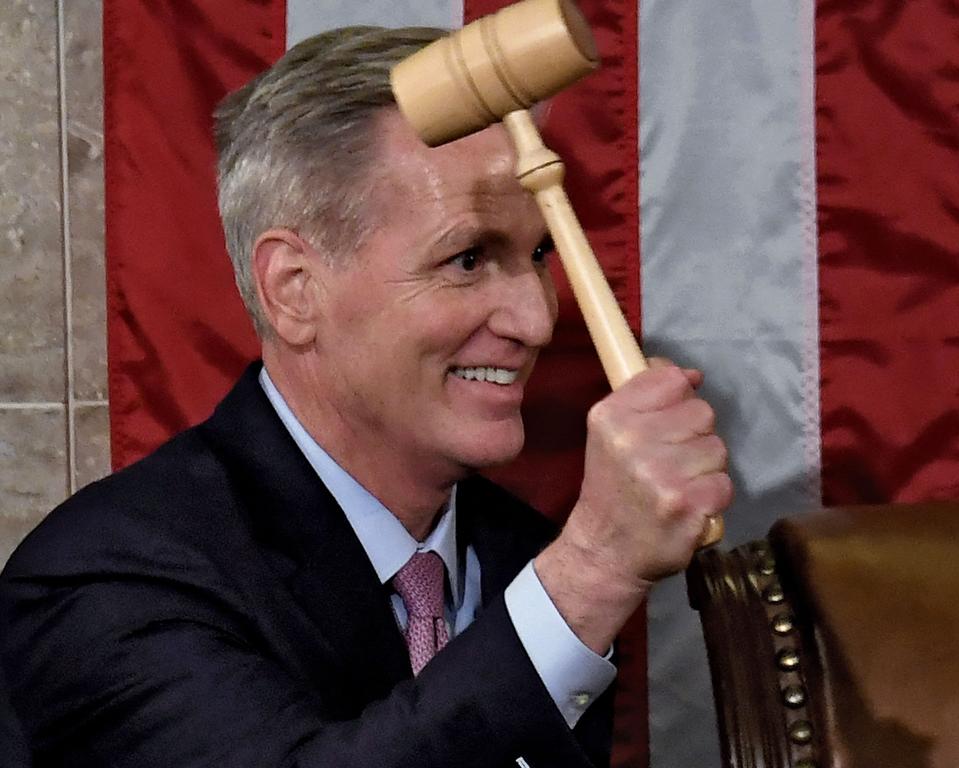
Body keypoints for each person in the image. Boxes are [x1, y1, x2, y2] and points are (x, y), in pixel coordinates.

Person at [0, 26, 731, 768]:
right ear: (294, 291)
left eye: (537, 254)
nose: (537, 320)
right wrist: (595, 571)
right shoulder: (101, 579)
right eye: (468, 258)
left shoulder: (520, 557)